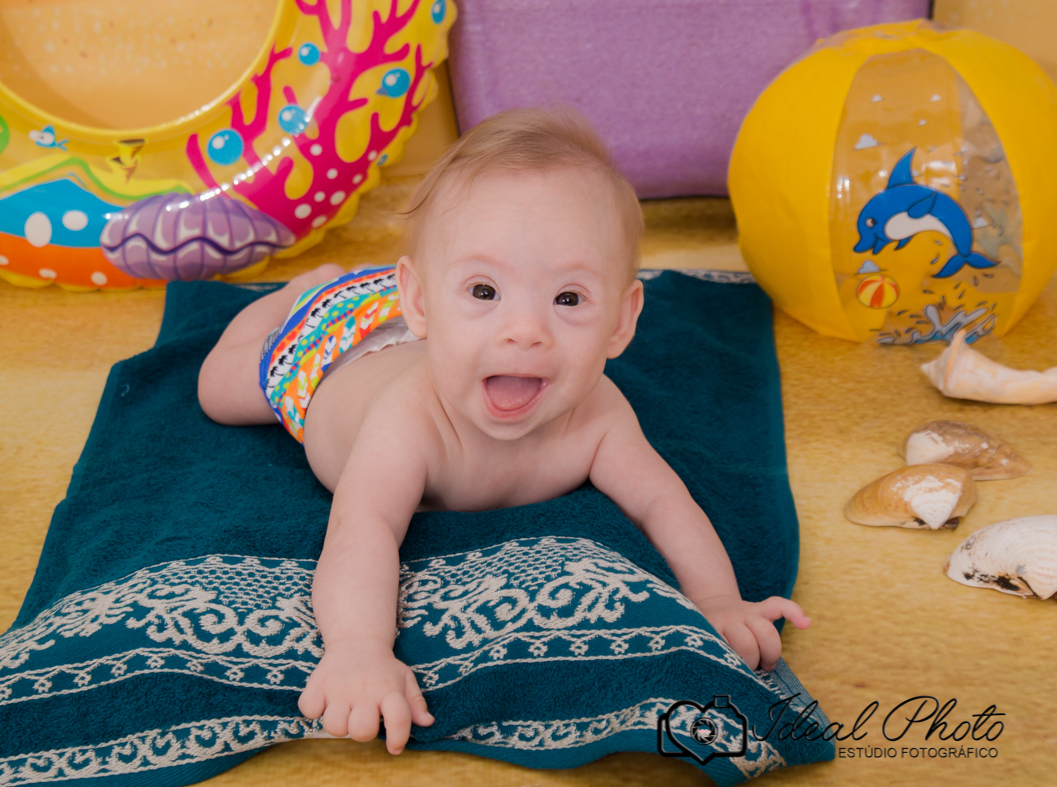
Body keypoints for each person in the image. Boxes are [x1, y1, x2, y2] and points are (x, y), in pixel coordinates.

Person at [197, 107, 810, 757]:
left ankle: (432, 289)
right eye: (486, 289)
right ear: (424, 301)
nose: (525, 330)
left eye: (568, 299)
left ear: (622, 322)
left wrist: (717, 600)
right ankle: (293, 294)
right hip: (337, 352)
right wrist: (358, 648)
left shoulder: (598, 414)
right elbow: (362, 529)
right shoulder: (407, 422)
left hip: (426, 324)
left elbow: (665, 501)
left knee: (477, 316)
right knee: (219, 390)